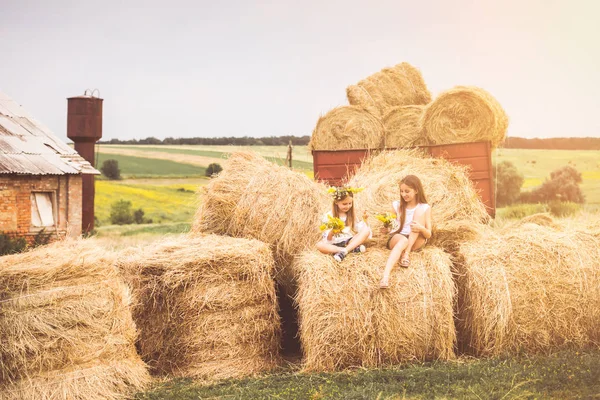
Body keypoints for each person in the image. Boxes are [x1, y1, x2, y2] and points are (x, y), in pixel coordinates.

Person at [379, 175, 432, 289]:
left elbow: (428, 234)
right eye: (401, 191)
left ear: (416, 190)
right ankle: (385, 277)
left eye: (407, 191)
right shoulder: (396, 205)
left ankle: (406, 253)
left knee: (418, 212)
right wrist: (386, 229)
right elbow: (391, 226)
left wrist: (421, 228)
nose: (404, 194)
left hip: (415, 240)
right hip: (399, 237)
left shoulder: (424, 207)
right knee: (403, 240)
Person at [316, 186, 371, 262]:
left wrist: (365, 219)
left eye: (350, 203)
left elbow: (359, 229)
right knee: (319, 245)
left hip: (348, 241)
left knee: (366, 231)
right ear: (336, 202)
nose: (348, 206)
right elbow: (327, 239)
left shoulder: (351, 215)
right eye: (344, 204)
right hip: (334, 244)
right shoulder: (329, 216)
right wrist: (332, 232)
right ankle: (347, 250)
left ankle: (345, 250)